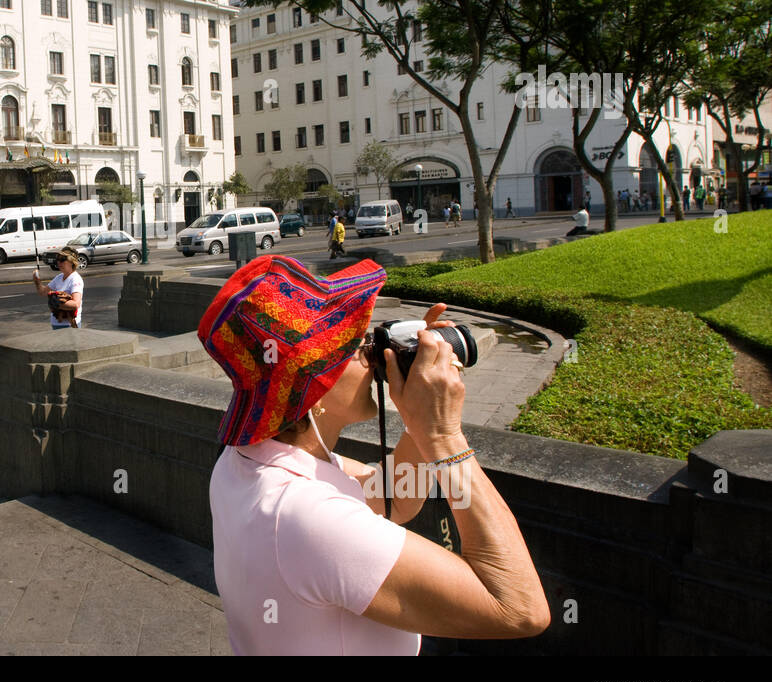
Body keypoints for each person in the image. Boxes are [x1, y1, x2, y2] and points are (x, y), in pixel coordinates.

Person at [201, 256, 548, 654]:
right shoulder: (307, 517)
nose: (373, 358)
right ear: (314, 394)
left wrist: (418, 419)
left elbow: (393, 499)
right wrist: (444, 436)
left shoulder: (244, 462)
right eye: (358, 348)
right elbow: (520, 608)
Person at [32, 248, 84, 329]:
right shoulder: (59, 277)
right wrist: (37, 282)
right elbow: (43, 292)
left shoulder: (75, 279)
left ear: (71, 261)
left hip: (69, 325)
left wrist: (57, 304)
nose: (59, 262)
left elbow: (76, 304)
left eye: (62, 260)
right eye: (57, 260)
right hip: (56, 323)